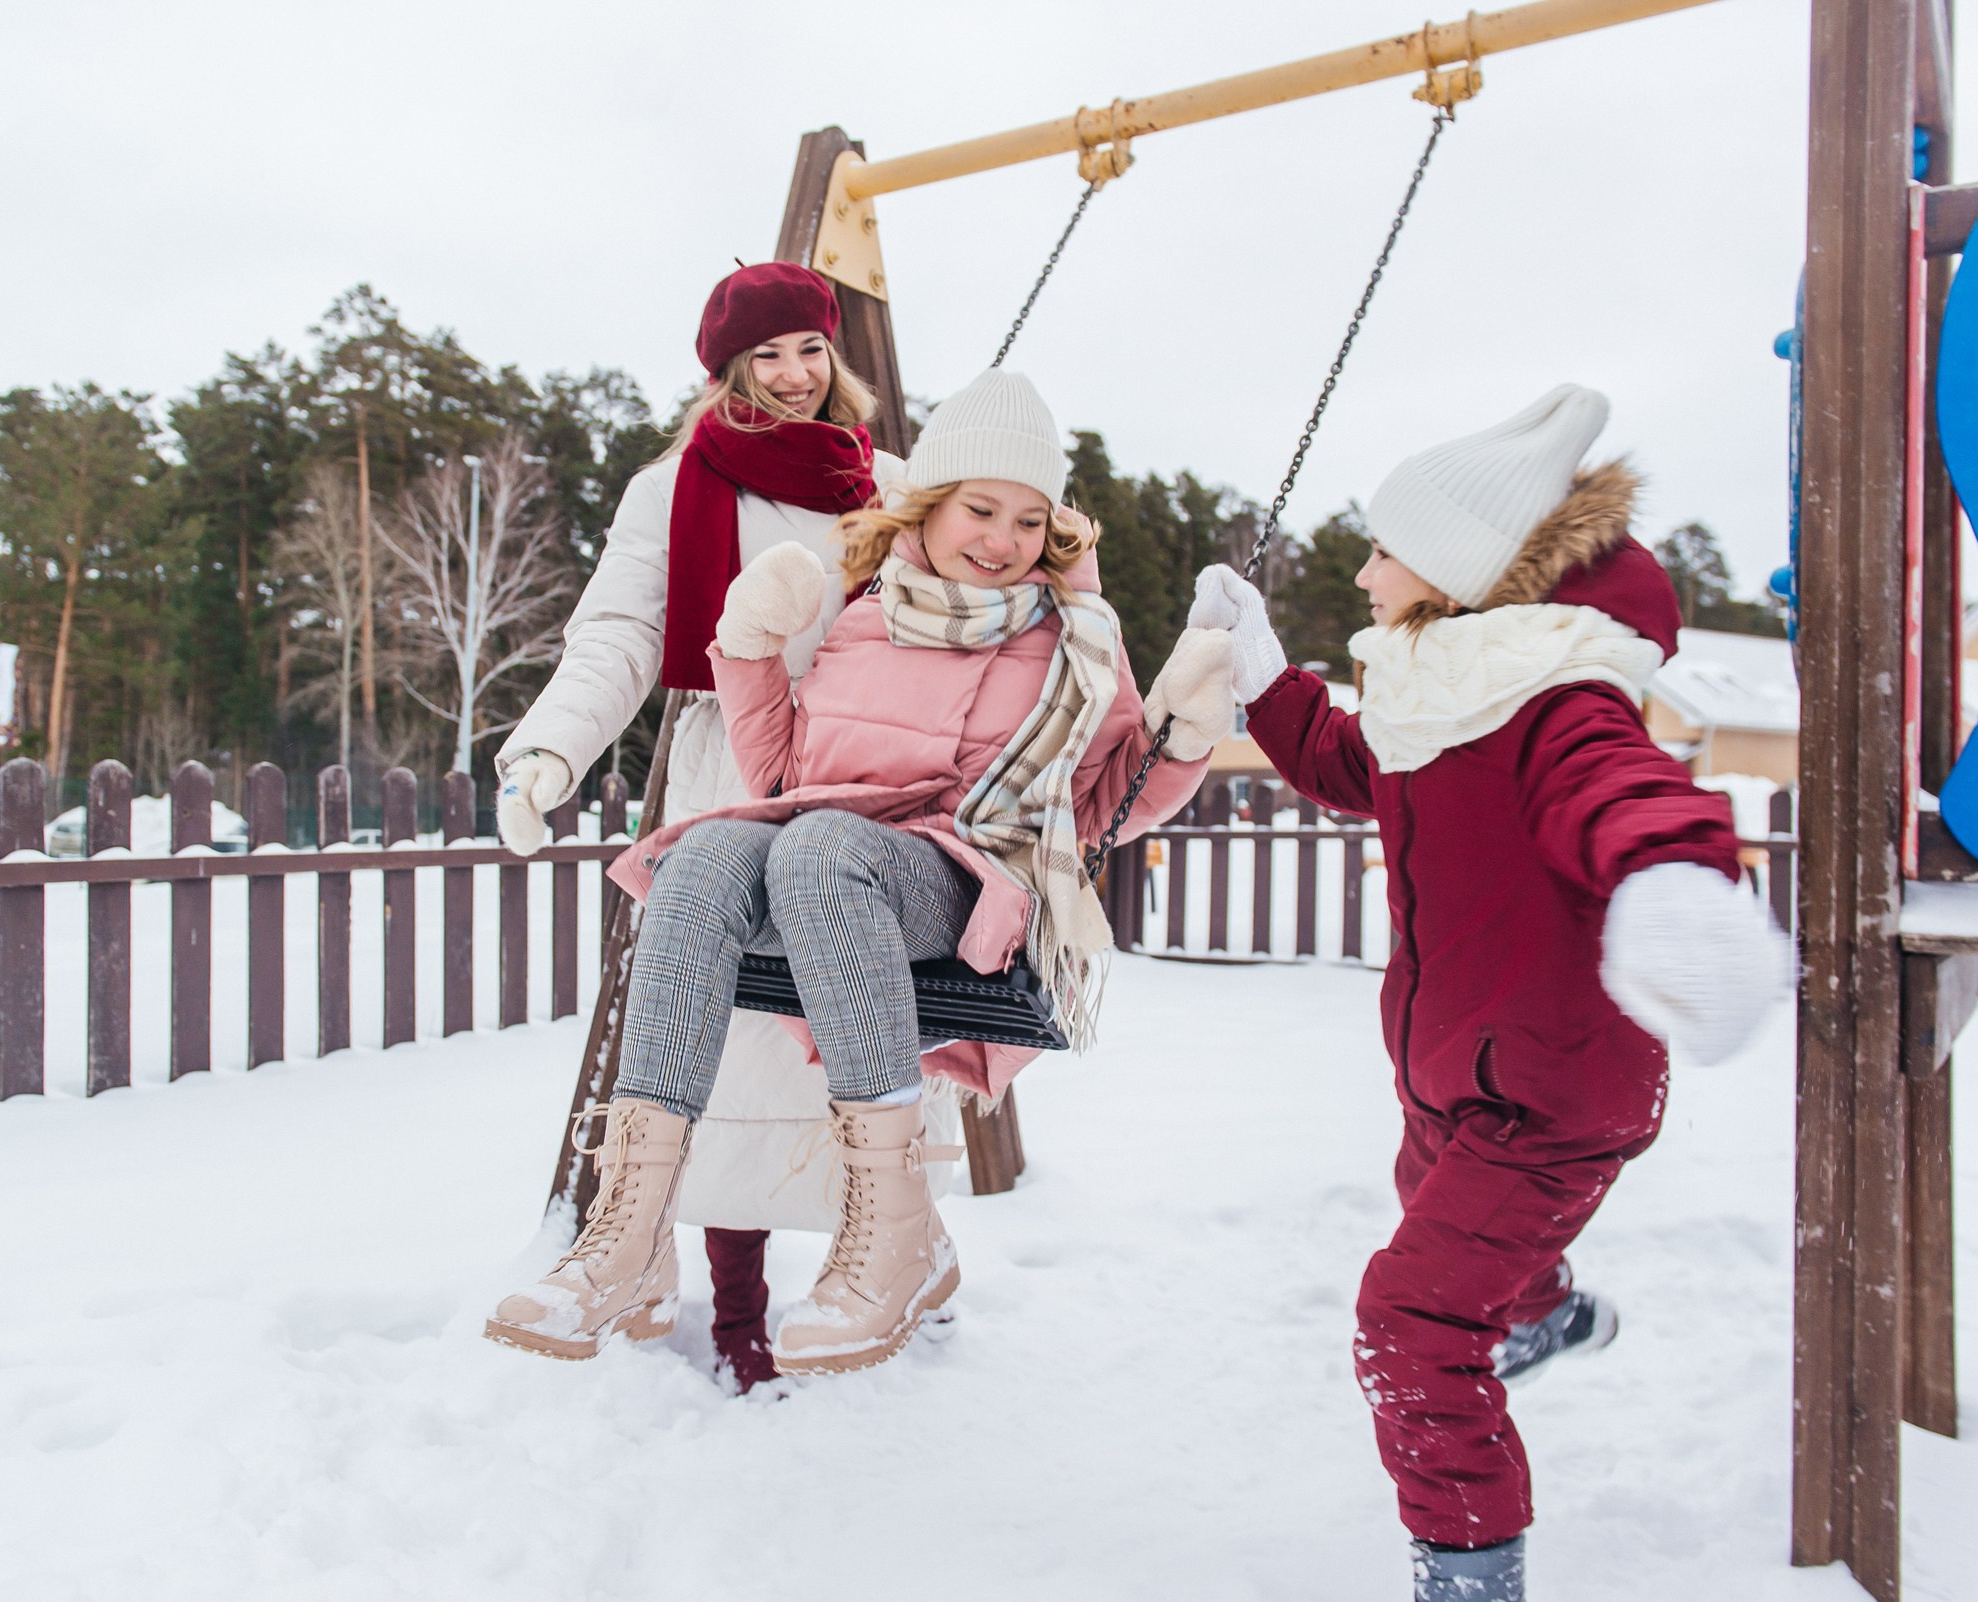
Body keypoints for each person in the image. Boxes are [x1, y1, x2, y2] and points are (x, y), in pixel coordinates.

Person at [486, 369, 1229, 1376]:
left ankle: (897, 1235)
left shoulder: (1075, 642)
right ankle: (624, 1230)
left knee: (822, 848)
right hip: (823, 858)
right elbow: (785, 774)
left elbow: (1104, 808)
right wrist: (746, 649)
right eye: (980, 509)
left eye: (1027, 520)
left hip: (963, 878)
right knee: (702, 849)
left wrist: (1180, 740)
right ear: (929, 506)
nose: (1002, 540)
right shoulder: (866, 612)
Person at [1189, 386, 1788, 1602]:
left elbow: (1622, 785)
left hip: (1553, 1092)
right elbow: (1351, 763)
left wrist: (1673, 878)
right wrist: (1263, 670)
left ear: (1459, 564)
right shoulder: (1439, 695)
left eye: (1384, 548)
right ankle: (1545, 1313)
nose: (1362, 575)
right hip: (1456, 1072)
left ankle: (1470, 1574)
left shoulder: (1556, 698)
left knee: (1409, 1322)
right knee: (1443, 1225)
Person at [488, 261, 914, 1390]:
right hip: (729, 768)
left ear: (837, 357)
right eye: (763, 357)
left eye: (809, 351)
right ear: (728, 370)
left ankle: (892, 1272)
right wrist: (549, 749)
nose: (790, 376)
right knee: (728, 1050)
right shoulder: (678, 484)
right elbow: (620, 632)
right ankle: (739, 1316)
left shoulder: (894, 487)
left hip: (861, 777)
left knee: (852, 1037)